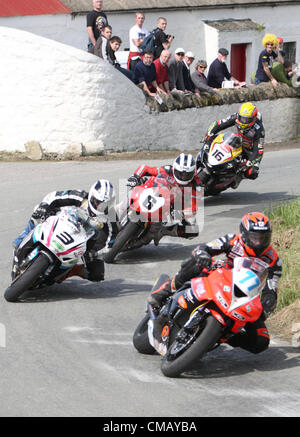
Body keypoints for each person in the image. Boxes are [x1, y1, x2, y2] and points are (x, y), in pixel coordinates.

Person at [149, 211, 282, 355]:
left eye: (263, 238)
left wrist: (266, 307)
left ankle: (223, 335)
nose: (258, 242)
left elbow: (271, 289)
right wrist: (203, 254)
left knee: (261, 341)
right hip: (220, 278)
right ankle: (166, 289)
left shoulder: (273, 259)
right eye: (254, 237)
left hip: (243, 296)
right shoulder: (232, 240)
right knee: (196, 262)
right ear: (243, 234)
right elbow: (206, 247)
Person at [12, 180, 117, 283]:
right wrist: (43, 207)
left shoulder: (111, 215)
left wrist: (96, 253)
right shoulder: (80, 196)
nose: (100, 206)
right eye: (97, 202)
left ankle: (71, 271)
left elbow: (111, 239)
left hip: (85, 241)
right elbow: (53, 196)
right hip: (61, 222)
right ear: (92, 196)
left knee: (96, 274)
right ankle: (25, 235)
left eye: (105, 205)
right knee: (37, 213)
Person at [126, 153, 202, 243]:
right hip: (155, 192)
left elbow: (192, 206)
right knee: (135, 188)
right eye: (180, 173)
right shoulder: (167, 169)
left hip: (173, 205)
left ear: (193, 173)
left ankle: (162, 231)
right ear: (174, 169)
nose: (183, 177)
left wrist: (183, 213)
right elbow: (145, 168)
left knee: (193, 230)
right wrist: (135, 177)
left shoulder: (196, 186)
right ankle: (122, 208)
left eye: (187, 175)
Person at [198, 102, 265, 186]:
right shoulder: (236, 117)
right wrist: (209, 132)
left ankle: (238, 177)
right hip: (238, 141)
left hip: (249, 150)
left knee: (253, 172)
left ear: (253, 119)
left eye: (247, 119)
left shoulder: (259, 130)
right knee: (215, 139)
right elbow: (219, 124)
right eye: (241, 118)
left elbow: (259, 150)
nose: (243, 121)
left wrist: (250, 162)